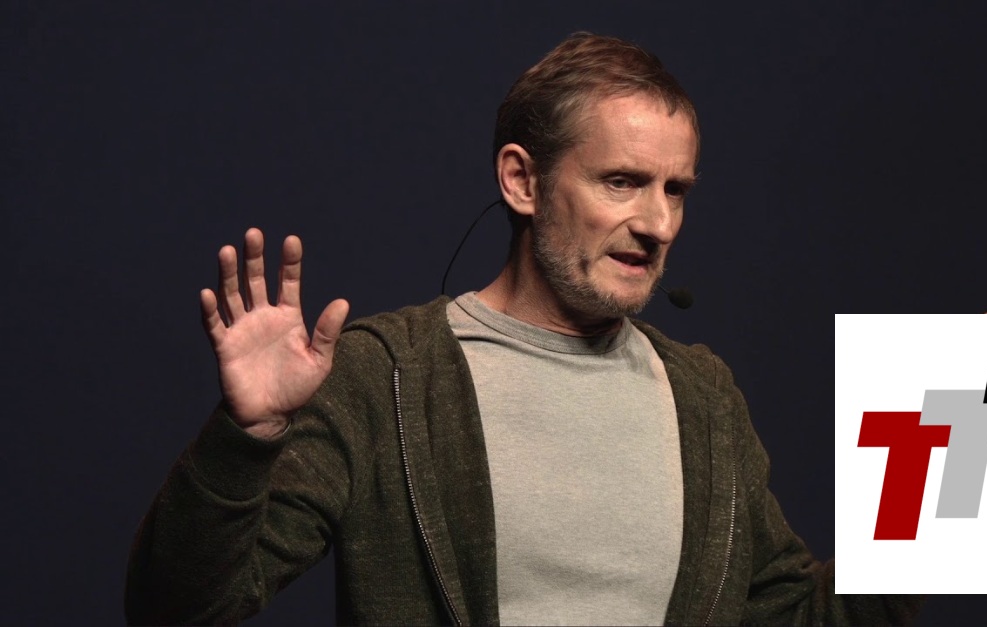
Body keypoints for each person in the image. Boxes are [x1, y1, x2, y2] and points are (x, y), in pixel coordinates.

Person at [126, 33, 922, 625]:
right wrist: (247, 436)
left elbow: (801, 617)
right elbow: (179, 607)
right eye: (622, 181)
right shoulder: (387, 376)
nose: (657, 223)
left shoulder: (703, 396)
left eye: (675, 189)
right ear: (520, 180)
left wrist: (953, 447)